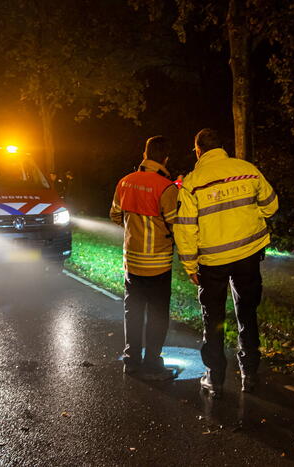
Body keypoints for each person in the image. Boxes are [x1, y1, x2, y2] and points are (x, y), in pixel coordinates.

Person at [174, 128, 278, 397]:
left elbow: (185, 228)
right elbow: (271, 206)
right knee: (247, 313)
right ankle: (250, 374)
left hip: (213, 262)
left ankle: (215, 378)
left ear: (198, 150)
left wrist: (189, 265)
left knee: (214, 318)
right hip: (247, 256)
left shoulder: (192, 182)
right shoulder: (247, 169)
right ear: (221, 146)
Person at [110, 135, 179, 381]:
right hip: (158, 262)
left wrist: (133, 231)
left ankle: (131, 361)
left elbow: (115, 215)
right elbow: (174, 225)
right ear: (165, 158)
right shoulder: (166, 187)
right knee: (158, 314)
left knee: (133, 310)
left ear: (145, 155)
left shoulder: (125, 182)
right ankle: (152, 363)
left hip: (132, 261)